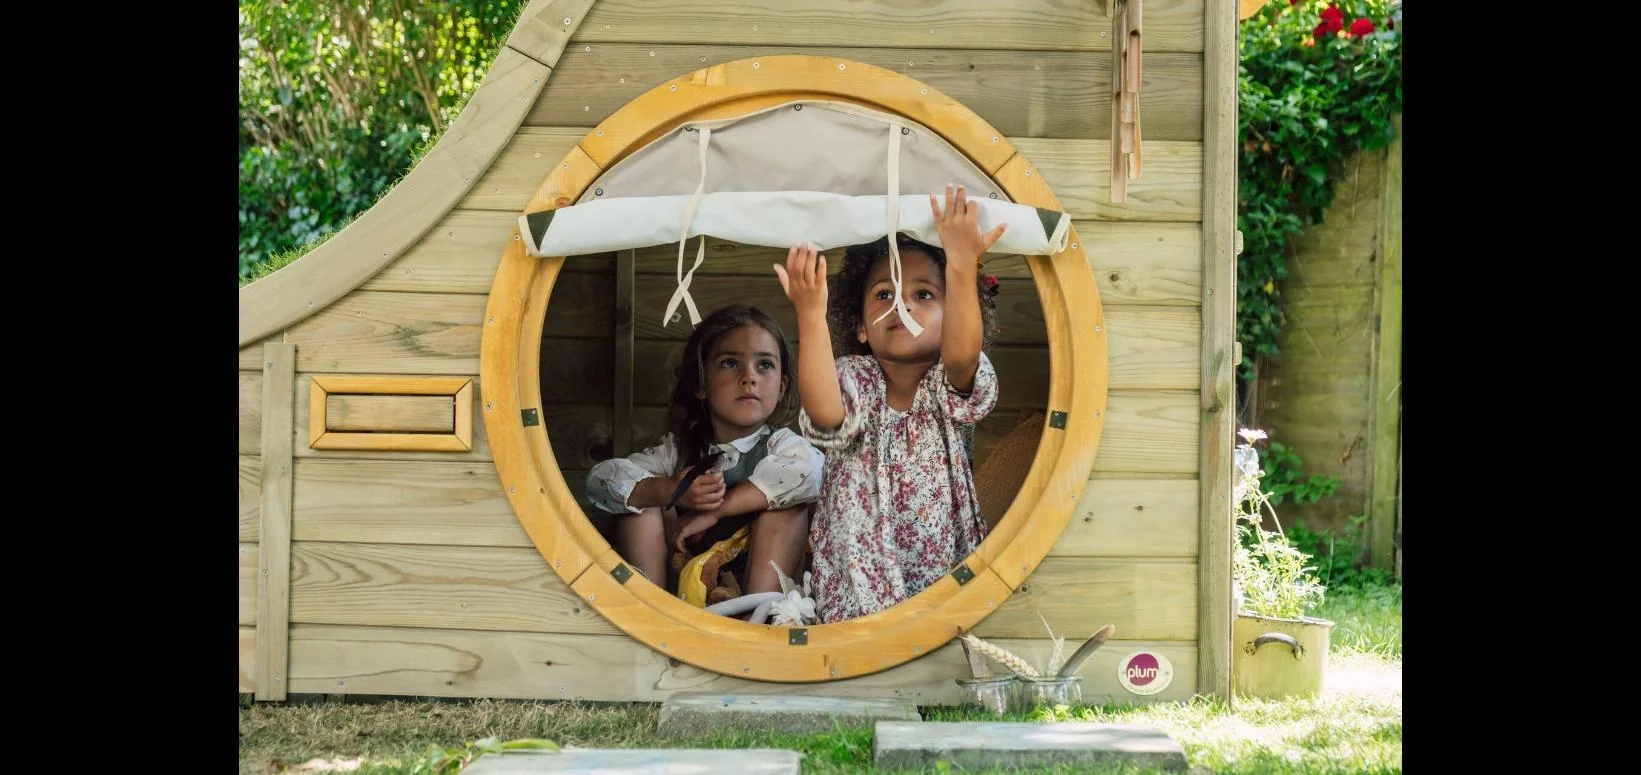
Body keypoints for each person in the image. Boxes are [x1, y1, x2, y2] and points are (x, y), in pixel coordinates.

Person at [773, 184, 1005, 623]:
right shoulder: (855, 378)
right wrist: (810, 313)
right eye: (884, 294)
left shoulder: (945, 383)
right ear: (860, 326)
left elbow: (961, 354)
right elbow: (825, 415)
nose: (901, 303)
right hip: (858, 570)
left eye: (923, 295)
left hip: (940, 561)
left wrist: (960, 264)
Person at [585, 304, 821, 596]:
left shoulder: (782, 446)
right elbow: (599, 480)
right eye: (730, 363)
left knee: (789, 503)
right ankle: (652, 608)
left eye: (765, 365)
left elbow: (810, 472)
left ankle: (758, 620)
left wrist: (716, 511)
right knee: (639, 501)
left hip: (755, 601)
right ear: (701, 384)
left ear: (782, 387)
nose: (749, 377)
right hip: (682, 603)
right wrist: (670, 490)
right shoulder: (677, 451)